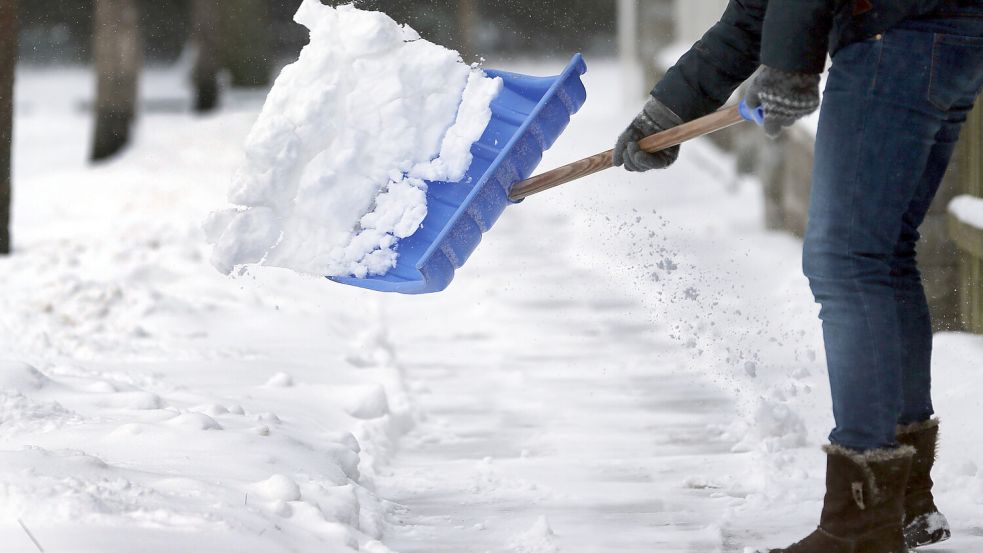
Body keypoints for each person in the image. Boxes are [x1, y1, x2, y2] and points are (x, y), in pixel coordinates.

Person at [613, 1, 983, 551]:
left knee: (847, 262)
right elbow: (754, 13)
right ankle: (903, 498)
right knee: (881, 254)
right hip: (943, 29)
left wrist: (790, 67)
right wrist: (667, 112)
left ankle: (861, 525)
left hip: (896, 33)